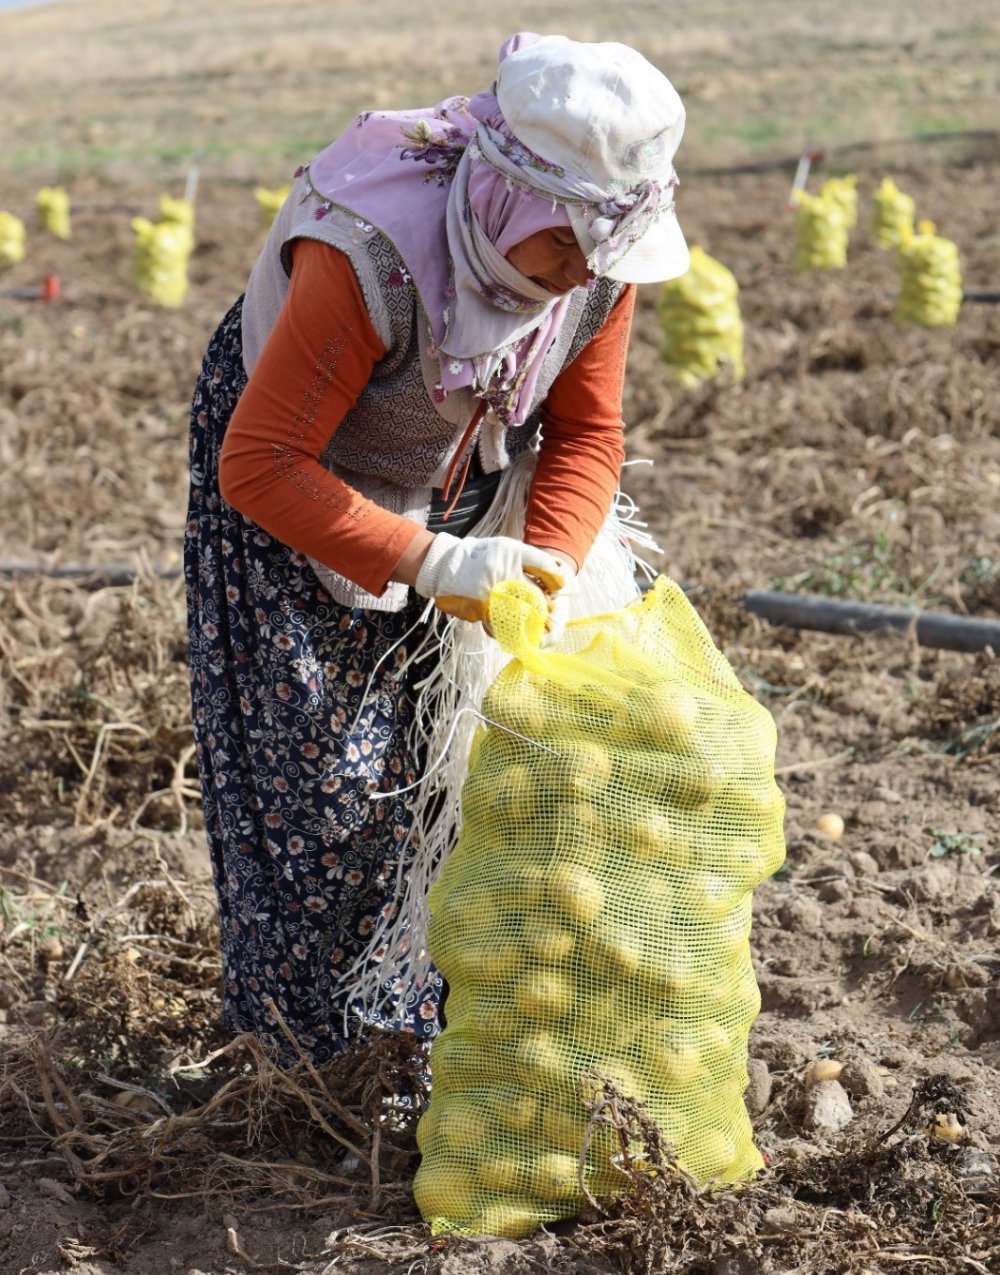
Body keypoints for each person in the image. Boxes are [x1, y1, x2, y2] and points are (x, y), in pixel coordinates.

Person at [184, 32, 690, 1066]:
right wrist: (432, 564)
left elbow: (587, 433)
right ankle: (313, 1065)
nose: (577, 277)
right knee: (328, 788)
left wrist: (540, 564)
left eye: (598, 253)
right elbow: (265, 463)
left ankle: (447, 1037)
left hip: (461, 469)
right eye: (563, 247)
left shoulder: (594, 261)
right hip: (298, 478)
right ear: (510, 197)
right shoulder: (370, 252)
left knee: (454, 776)